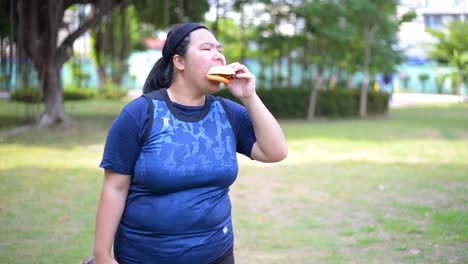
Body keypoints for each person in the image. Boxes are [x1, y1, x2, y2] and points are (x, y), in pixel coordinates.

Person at [93, 22, 288, 264]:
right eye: (206, 49)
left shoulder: (228, 113)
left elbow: (275, 152)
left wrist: (249, 96)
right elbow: (115, 188)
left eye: (219, 49)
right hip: (144, 257)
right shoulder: (140, 114)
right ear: (179, 62)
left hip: (216, 255)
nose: (218, 55)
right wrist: (102, 256)